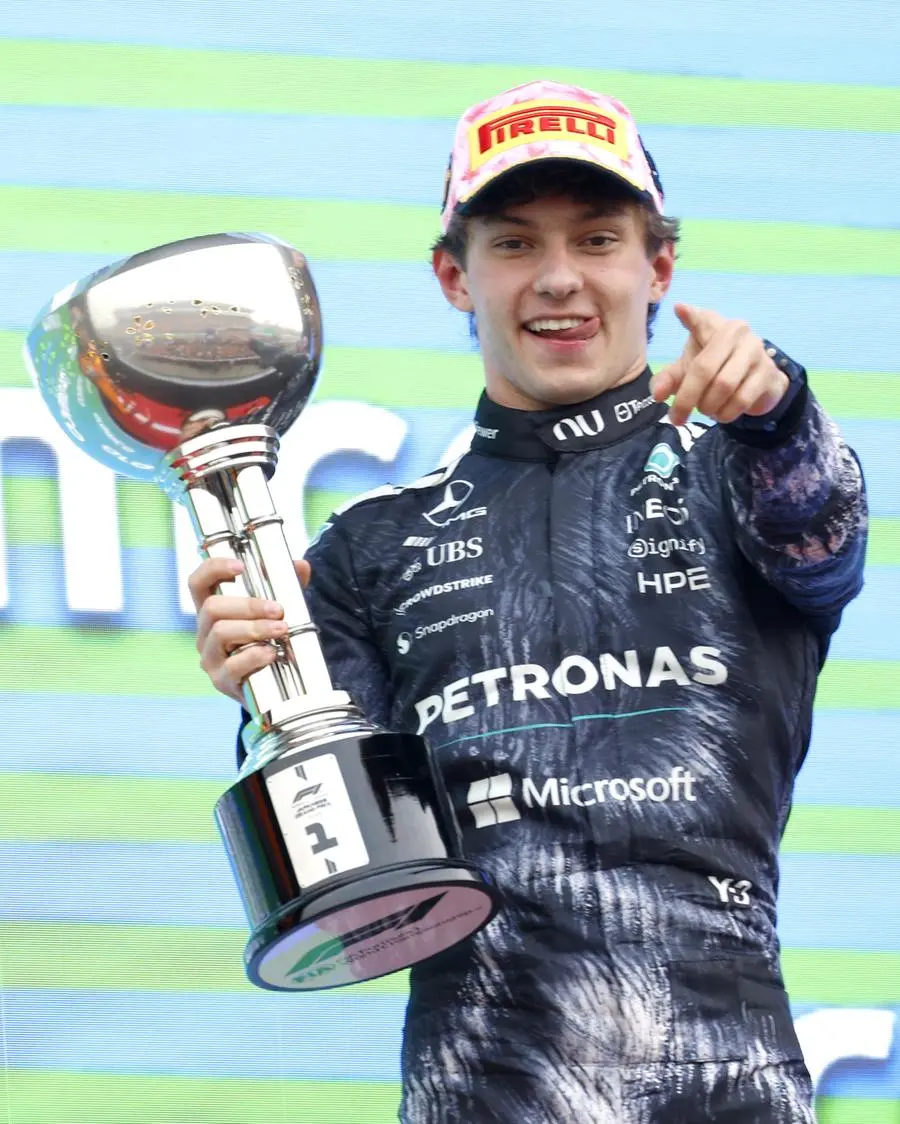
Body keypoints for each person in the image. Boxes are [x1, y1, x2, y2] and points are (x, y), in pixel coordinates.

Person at [190, 81, 867, 1123]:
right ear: (454, 275)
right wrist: (270, 690)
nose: (560, 279)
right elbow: (354, 882)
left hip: (732, 1092)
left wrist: (778, 410)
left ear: (660, 266)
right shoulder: (370, 549)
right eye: (514, 244)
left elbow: (822, 527)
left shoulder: (746, 475)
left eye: (598, 239)